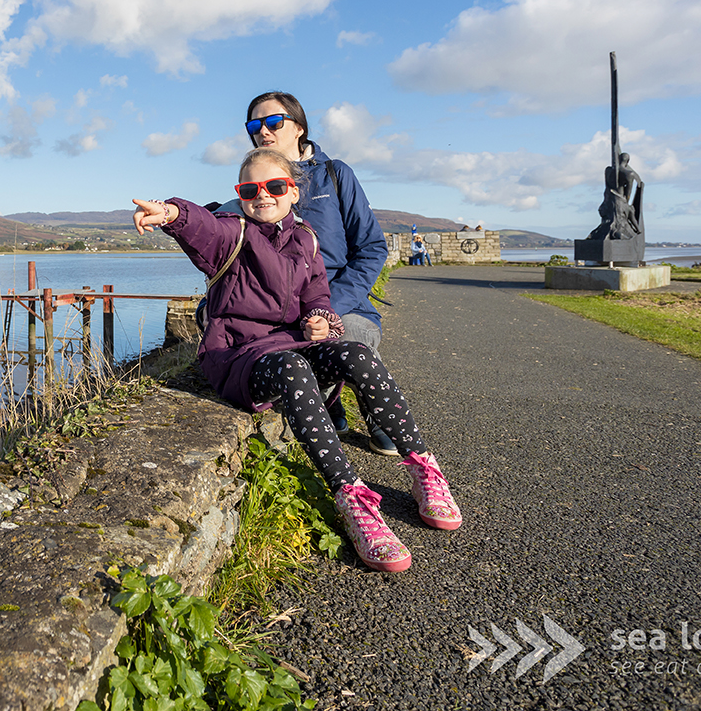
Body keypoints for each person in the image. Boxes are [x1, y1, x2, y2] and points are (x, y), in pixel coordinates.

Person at [132, 148, 462, 573]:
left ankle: (422, 468)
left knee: (356, 355)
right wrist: (170, 212)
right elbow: (202, 227)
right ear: (240, 195)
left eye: (275, 186)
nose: (262, 195)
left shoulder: (306, 238)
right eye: (249, 189)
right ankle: (351, 498)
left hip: (290, 341)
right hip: (238, 353)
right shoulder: (232, 234)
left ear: (293, 193)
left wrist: (320, 319)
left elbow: (316, 294)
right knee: (294, 369)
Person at [244, 91, 398, 456]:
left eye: (273, 122)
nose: (263, 131)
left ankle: (375, 410)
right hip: (287, 308)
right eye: (254, 125)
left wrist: (329, 306)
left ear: (298, 127)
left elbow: (372, 248)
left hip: (343, 297)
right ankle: (331, 404)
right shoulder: (257, 186)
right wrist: (174, 213)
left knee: (353, 335)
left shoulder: (335, 174)